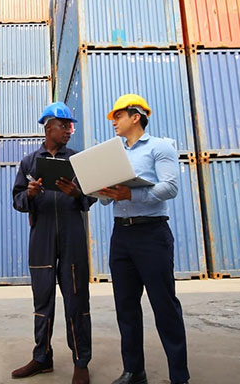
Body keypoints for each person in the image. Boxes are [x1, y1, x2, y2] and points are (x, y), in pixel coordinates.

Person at [97, 94, 190, 384]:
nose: (113, 122)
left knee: (164, 305)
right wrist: (101, 190)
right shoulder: (115, 154)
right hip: (121, 235)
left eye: (118, 116)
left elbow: (170, 187)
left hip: (151, 235)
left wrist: (132, 193)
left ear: (135, 116)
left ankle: (179, 376)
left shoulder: (160, 147)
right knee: (126, 307)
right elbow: (106, 200)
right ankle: (134, 371)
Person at [11, 102, 95, 384]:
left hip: (72, 236)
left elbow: (91, 197)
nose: (70, 131)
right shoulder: (29, 162)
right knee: (42, 300)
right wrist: (30, 194)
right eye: (65, 126)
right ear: (49, 129)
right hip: (42, 236)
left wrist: (76, 194)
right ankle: (42, 358)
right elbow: (17, 200)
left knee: (77, 299)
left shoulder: (79, 160)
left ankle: (81, 362)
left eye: (71, 126)